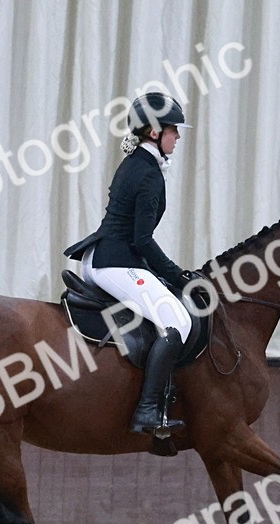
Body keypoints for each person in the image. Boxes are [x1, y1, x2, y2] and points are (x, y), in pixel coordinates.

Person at [63, 92, 202, 435]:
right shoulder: (148, 174)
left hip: (105, 257)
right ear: (155, 132)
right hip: (117, 263)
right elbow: (142, 240)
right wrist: (177, 275)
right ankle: (147, 410)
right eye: (173, 130)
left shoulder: (137, 164)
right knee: (178, 321)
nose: (178, 137)